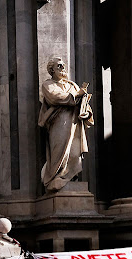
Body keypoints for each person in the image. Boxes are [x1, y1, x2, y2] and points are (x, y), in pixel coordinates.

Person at [38, 56, 94, 193]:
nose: (63, 68)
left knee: (74, 153)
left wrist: (87, 112)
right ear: (52, 70)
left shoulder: (72, 85)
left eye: (63, 65)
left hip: (75, 123)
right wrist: (75, 96)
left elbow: (84, 103)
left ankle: (71, 177)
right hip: (58, 123)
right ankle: (56, 177)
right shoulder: (48, 84)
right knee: (58, 151)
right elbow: (54, 97)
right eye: (59, 66)